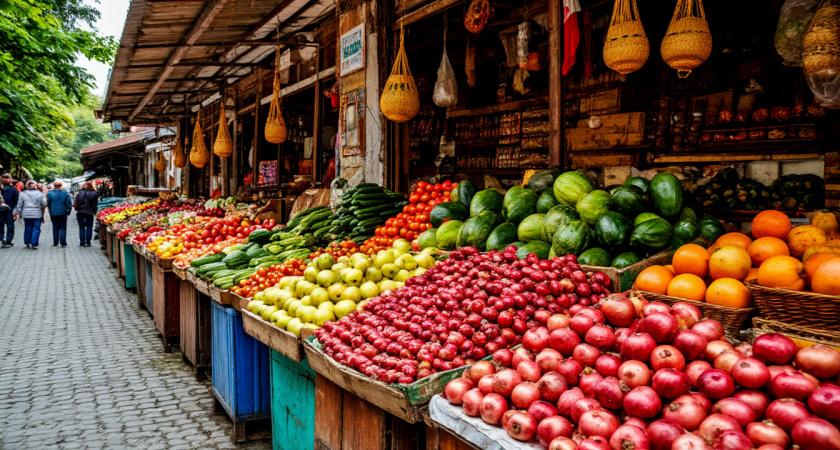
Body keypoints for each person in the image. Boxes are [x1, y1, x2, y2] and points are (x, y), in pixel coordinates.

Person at [14, 180, 46, 249]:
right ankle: (34, 243)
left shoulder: (22, 194)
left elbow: (19, 204)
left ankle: (27, 241)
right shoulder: (40, 194)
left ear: (27, 186)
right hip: (37, 214)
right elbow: (43, 204)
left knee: (28, 228)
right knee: (36, 228)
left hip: (26, 214)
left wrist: (19, 212)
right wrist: (43, 208)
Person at [46, 180, 72, 247]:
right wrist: (68, 211)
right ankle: (63, 242)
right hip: (63, 212)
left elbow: (48, 203)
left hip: (53, 212)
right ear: (61, 185)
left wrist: (50, 211)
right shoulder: (65, 193)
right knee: (63, 227)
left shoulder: (50, 193)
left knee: (55, 227)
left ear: (54, 185)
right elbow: (69, 203)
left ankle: (55, 241)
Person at [74, 181, 98, 247]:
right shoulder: (94, 194)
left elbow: (76, 203)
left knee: (81, 227)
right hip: (89, 211)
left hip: (81, 212)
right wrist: (94, 211)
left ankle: (82, 242)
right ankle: (88, 242)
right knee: (89, 227)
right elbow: (95, 205)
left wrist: (78, 209)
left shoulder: (79, 193)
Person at [1, 173, 19, 248]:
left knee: (5, 225)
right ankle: (7, 240)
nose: (5, 179)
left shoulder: (13, 190)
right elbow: (16, 201)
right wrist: (15, 210)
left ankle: (3, 239)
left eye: (7, 178)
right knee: (9, 226)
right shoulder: (14, 190)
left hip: (7, 210)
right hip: (9, 210)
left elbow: (16, 201)